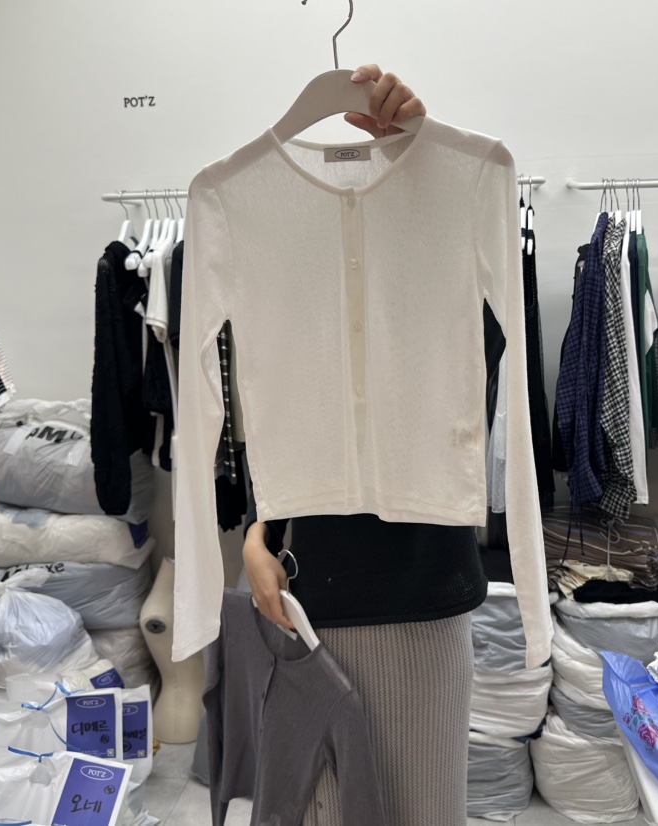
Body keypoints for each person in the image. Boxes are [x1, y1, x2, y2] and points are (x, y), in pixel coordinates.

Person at [243, 64, 491, 826]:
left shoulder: (446, 206)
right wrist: (258, 530)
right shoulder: (273, 220)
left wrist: (421, 169)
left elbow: (467, 373)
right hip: (302, 601)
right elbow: (282, 403)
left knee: (423, 809)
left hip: (421, 599)